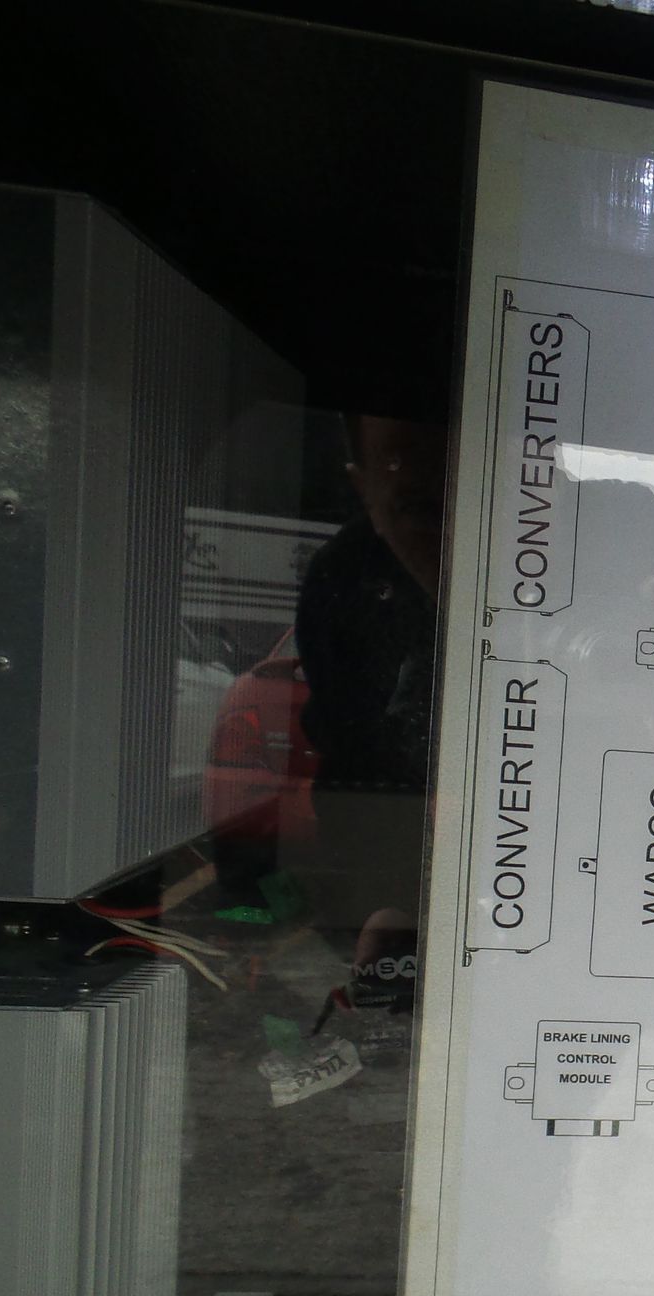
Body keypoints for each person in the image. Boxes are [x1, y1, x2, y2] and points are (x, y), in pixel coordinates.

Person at [294, 415, 446, 1012]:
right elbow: (351, 760)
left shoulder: (613, 540)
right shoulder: (346, 578)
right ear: (366, 491)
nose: (458, 537)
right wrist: (388, 898)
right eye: (421, 504)